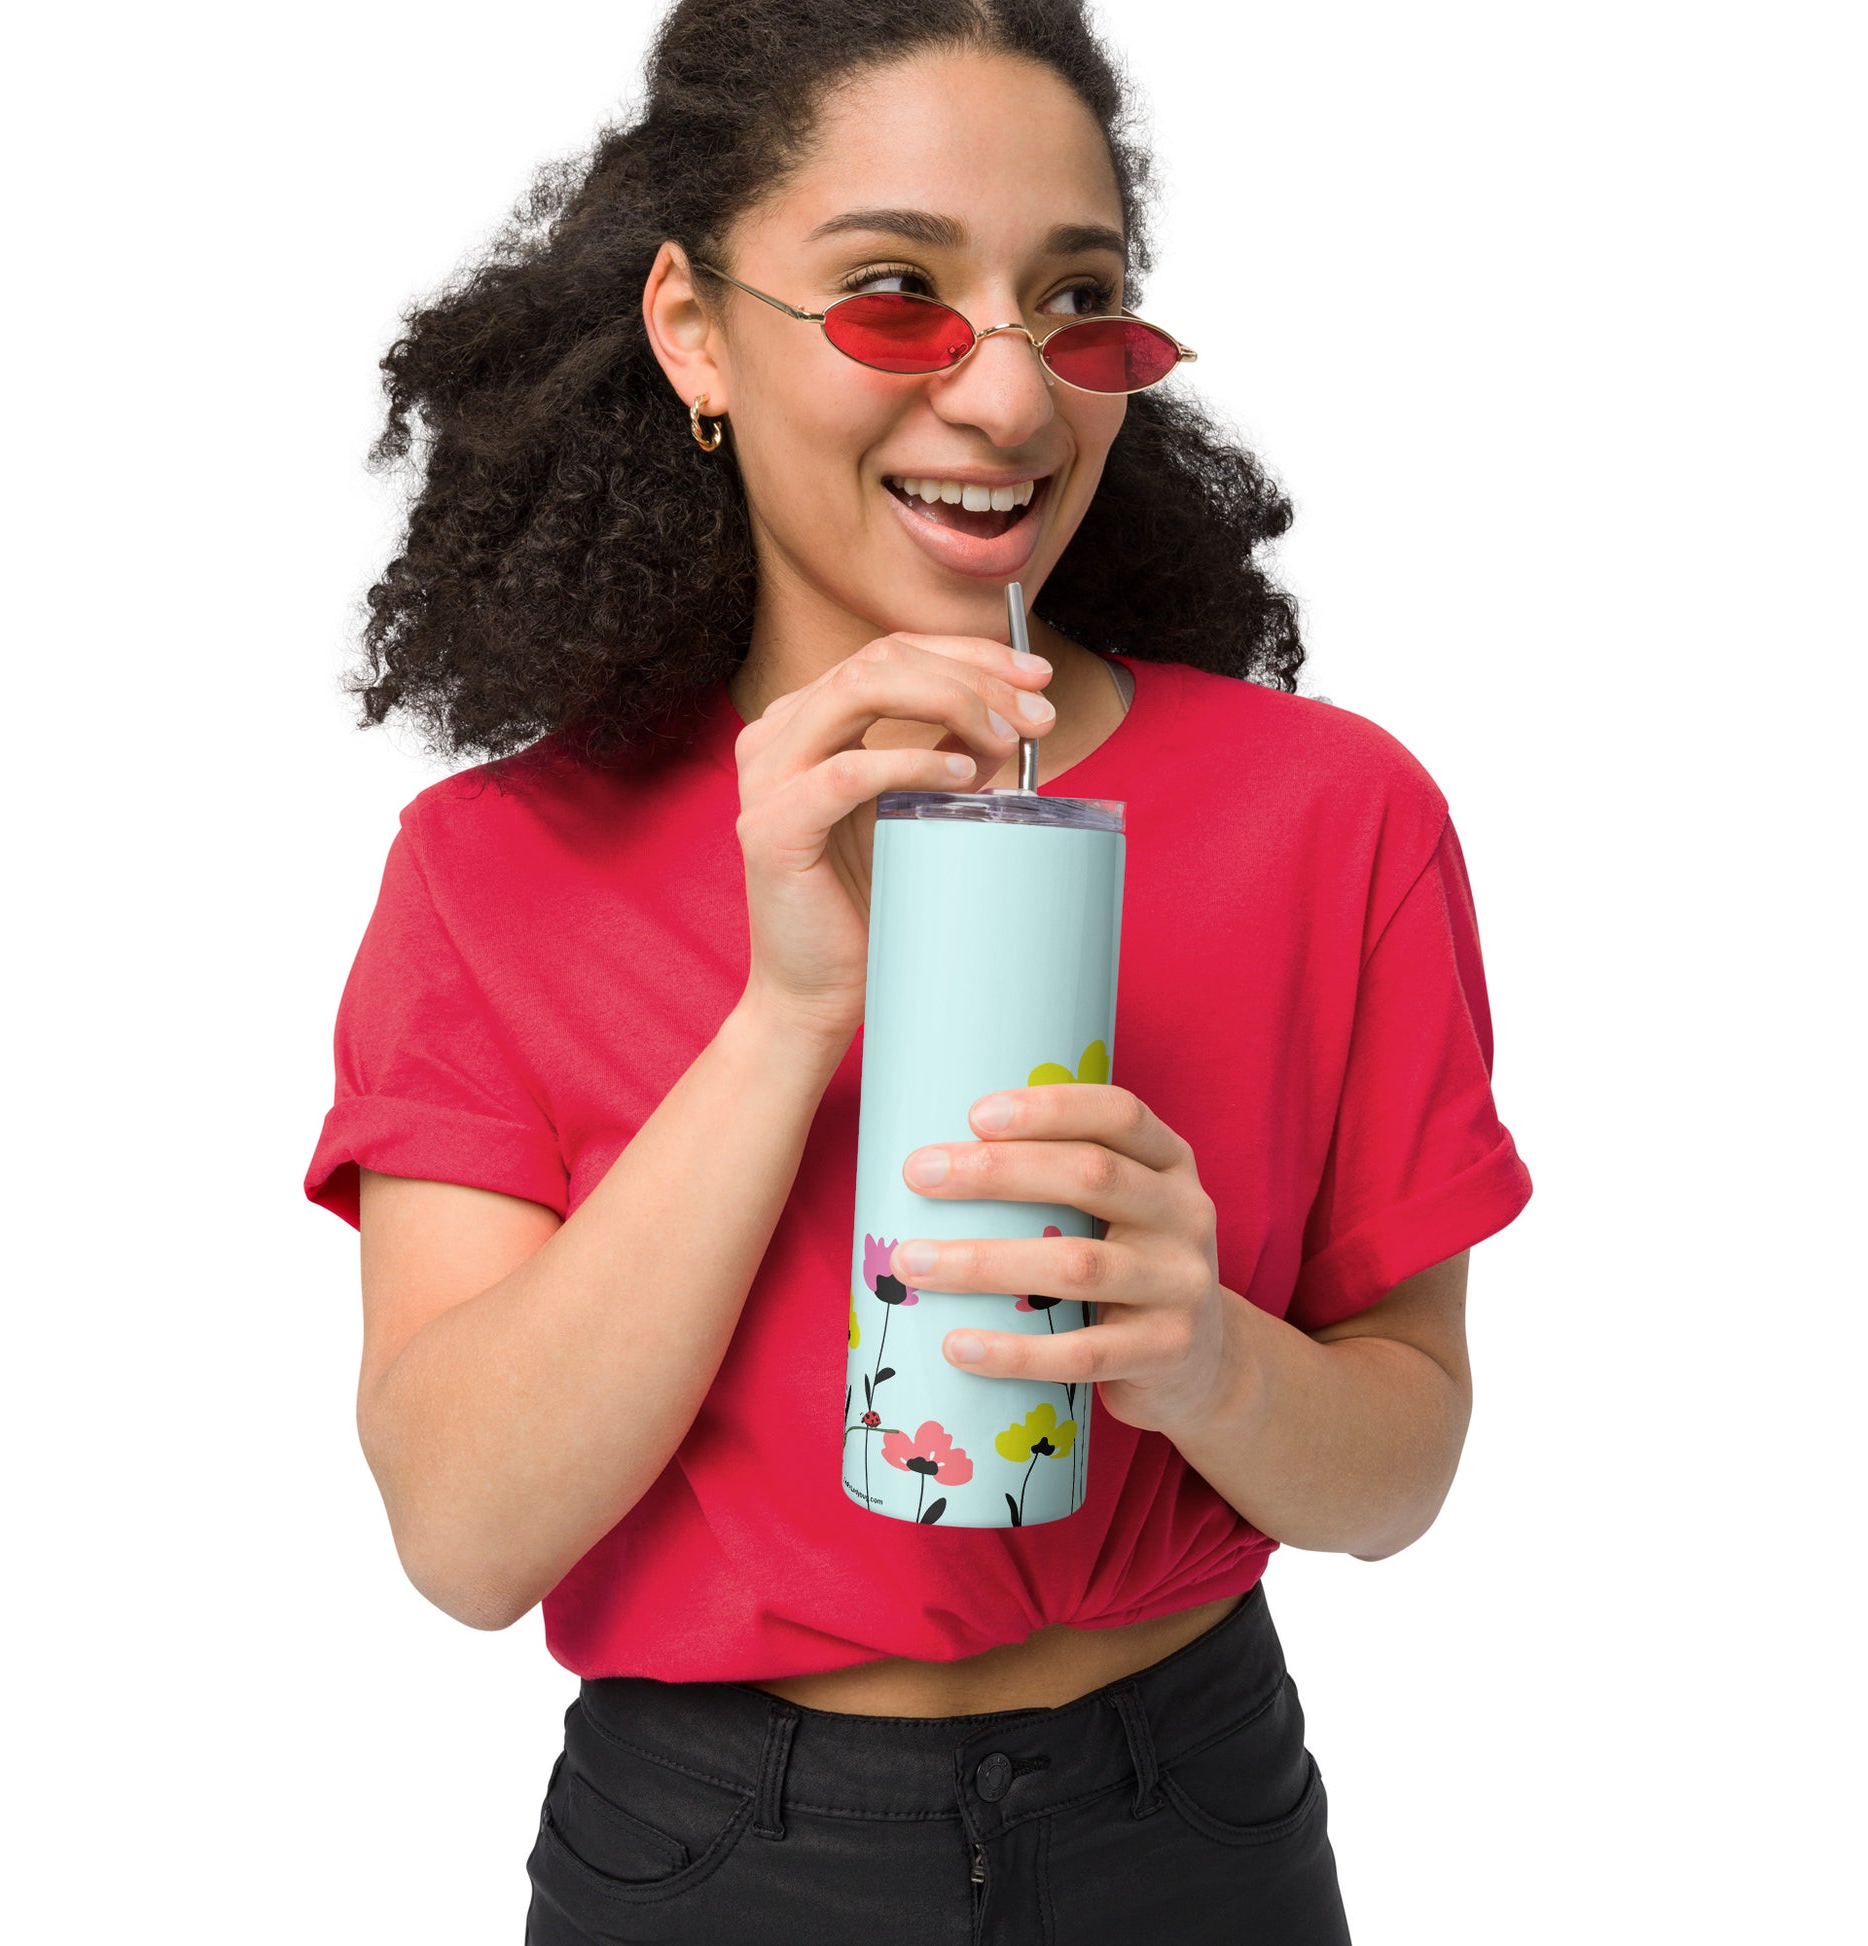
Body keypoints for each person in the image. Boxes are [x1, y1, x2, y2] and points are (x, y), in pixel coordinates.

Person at [303, 1, 1534, 1937]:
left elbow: (1406, 1460)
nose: (1012, 400)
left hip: (1189, 1811)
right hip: (714, 1845)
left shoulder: (1336, 819)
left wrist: (1212, 1357)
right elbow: (461, 1533)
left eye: (1076, 305)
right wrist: (788, 1013)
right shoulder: (493, 871)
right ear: (696, 331)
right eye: (895, 296)